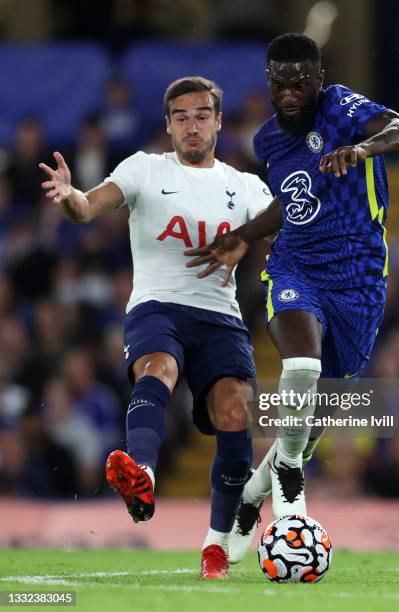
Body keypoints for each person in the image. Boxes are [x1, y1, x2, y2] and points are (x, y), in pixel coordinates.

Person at [185, 34, 399, 561]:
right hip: (296, 266)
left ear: (319, 79)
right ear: (269, 83)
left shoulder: (342, 108)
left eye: (300, 82)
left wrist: (362, 147)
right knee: (300, 364)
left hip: (360, 280)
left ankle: (253, 494)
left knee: (312, 418)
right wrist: (246, 235)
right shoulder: (267, 141)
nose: (290, 92)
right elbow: (289, 205)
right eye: (280, 83)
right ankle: (289, 480)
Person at [39, 76, 272, 579]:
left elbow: (281, 223)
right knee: (159, 367)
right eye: (182, 117)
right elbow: (88, 206)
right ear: (167, 126)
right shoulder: (144, 169)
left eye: (202, 115)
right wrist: (68, 195)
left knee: (235, 410)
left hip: (220, 317)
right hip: (156, 307)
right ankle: (141, 469)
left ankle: (216, 546)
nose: (192, 125)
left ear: (219, 122)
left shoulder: (245, 185)